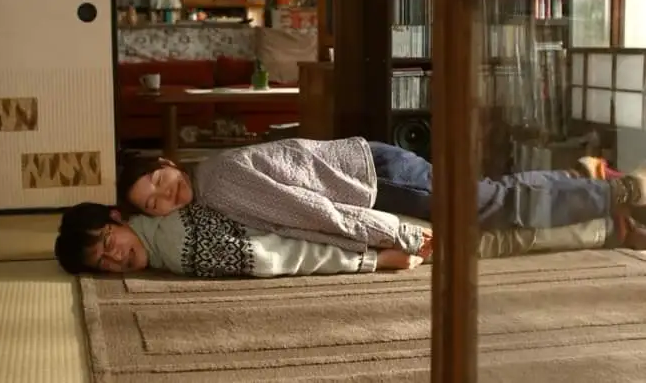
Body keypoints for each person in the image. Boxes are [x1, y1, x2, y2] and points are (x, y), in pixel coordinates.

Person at [117, 137, 646, 252]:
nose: (165, 196)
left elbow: (311, 211)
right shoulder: (209, 186)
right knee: (487, 206)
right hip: (372, 173)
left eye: (159, 181)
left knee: (490, 204)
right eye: (152, 203)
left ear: (168, 163)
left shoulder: (217, 182)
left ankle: (620, 191)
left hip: (376, 179)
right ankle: (589, 183)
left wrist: (391, 237)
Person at [54, 202, 432, 276]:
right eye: (102, 263)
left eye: (108, 244)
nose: (115, 258)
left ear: (116, 218)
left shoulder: (176, 246)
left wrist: (371, 261)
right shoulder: (164, 215)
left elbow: (274, 256)